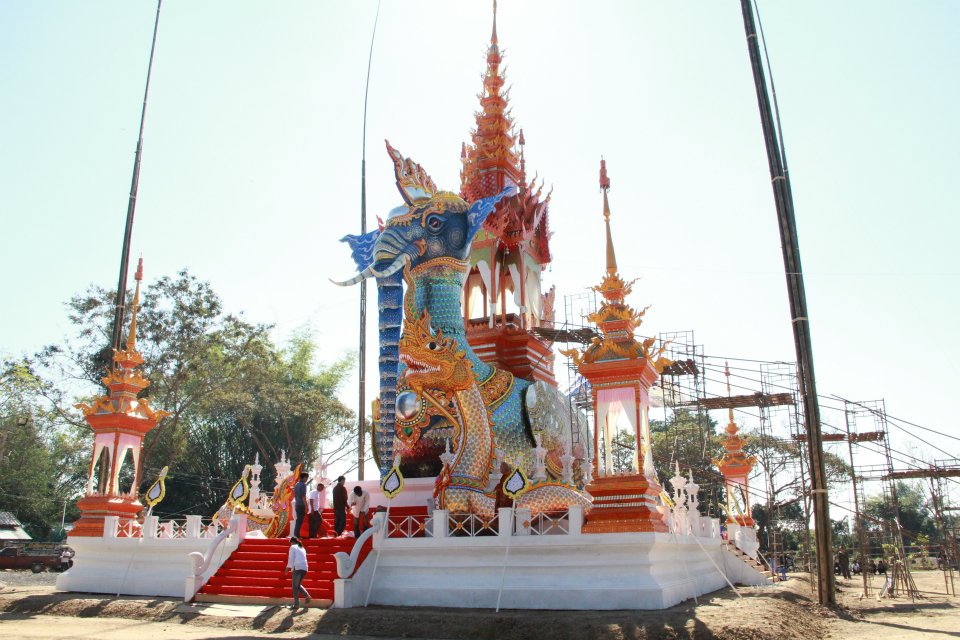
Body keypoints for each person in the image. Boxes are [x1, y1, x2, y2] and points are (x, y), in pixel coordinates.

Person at [285, 537, 311, 610]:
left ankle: (296, 604)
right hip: (304, 568)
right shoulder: (302, 548)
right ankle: (307, 596)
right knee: (297, 585)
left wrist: (287, 567)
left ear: (292, 542)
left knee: (295, 587)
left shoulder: (293, 547)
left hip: (298, 567)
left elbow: (291, 558)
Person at [292, 472, 309, 538]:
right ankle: (296, 535)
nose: (307, 479)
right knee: (299, 520)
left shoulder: (297, 484)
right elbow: (303, 496)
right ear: (304, 477)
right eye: (306, 478)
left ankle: (296, 534)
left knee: (298, 520)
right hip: (301, 504)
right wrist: (306, 506)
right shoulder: (303, 485)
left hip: (297, 504)